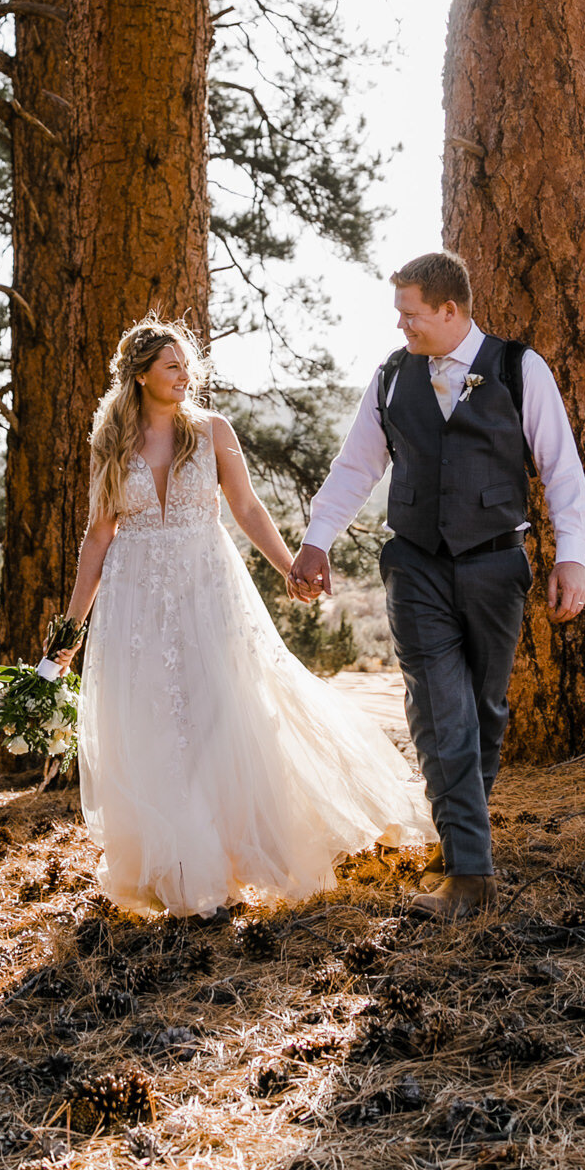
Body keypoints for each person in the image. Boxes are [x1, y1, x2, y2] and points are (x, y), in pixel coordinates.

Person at [56, 317, 431, 917]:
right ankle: (180, 869)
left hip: (207, 588)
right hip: (135, 600)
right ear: (142, 374)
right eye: (172, 366)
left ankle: (242, 852)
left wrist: (291, 567)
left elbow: (247, 508)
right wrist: (69, 632)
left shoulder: (212, 431)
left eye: (188, 366)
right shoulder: (111, 440)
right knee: (154, 721)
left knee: (223, 710)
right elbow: (99, 536)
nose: (186, 376)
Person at [289, 249, 585, 922]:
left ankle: (462, 849)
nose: (402, 328)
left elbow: (561, 469)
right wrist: (316, 540)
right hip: (416, 564)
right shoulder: (392, 377)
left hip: (494, 567)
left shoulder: (519, 368)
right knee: (438, 714)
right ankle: (468, 876)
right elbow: (355, 466)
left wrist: (570, 555)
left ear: (450, 310)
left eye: (410, 315)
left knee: (482, 716)